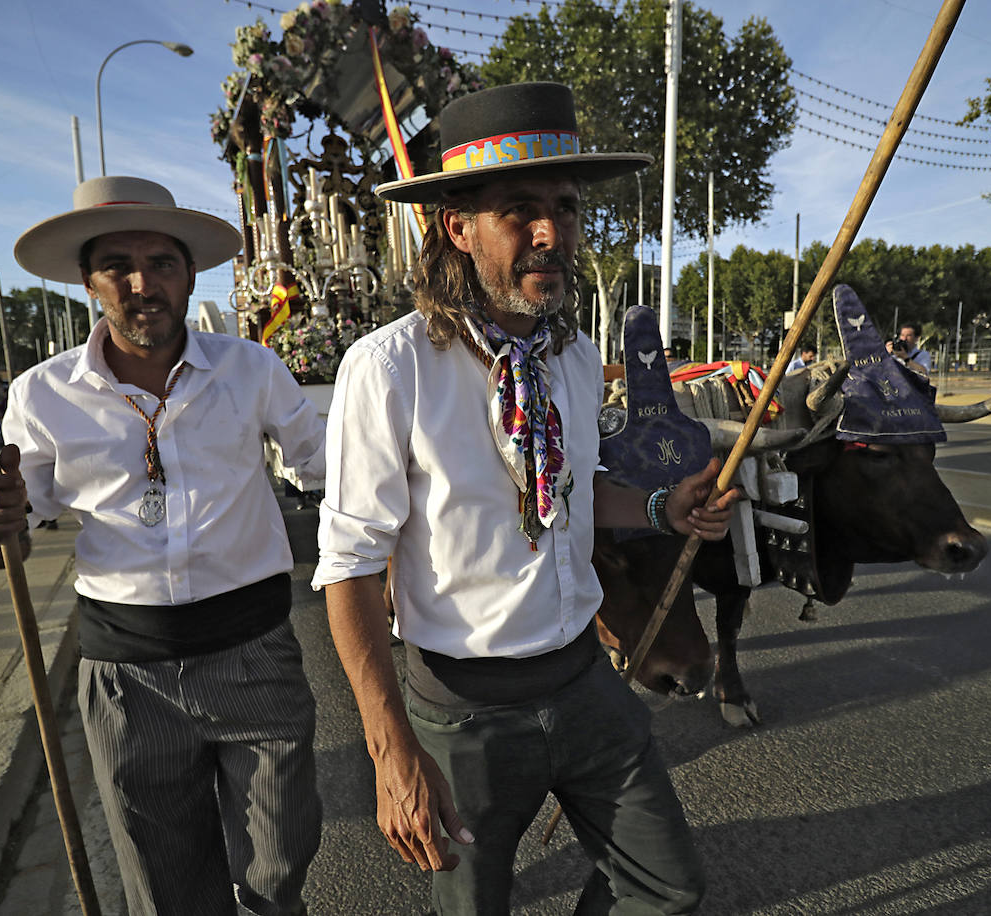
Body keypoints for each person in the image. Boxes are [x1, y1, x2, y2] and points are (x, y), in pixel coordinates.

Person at [314, 82, 740, 915]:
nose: (551, 233)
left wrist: (663, 511)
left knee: (669, 890)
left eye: (565, 208)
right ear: (459, 227)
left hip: (585, 684)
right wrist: (389, 746)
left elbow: (570, 501)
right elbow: (350, 568)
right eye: (519, 210)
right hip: (461, 714)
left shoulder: (575, 359)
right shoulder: (390, 367)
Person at [0, 176, 325, 915]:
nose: (141, 282)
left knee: (279, 867)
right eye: (117, 265)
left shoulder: (252, 370)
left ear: (189, 275)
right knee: (164, 887)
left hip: (255, 654)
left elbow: (336, 476)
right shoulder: (41, 393)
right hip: (126, 678)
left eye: (161, 262)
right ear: (89, 284)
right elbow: (4, 544)